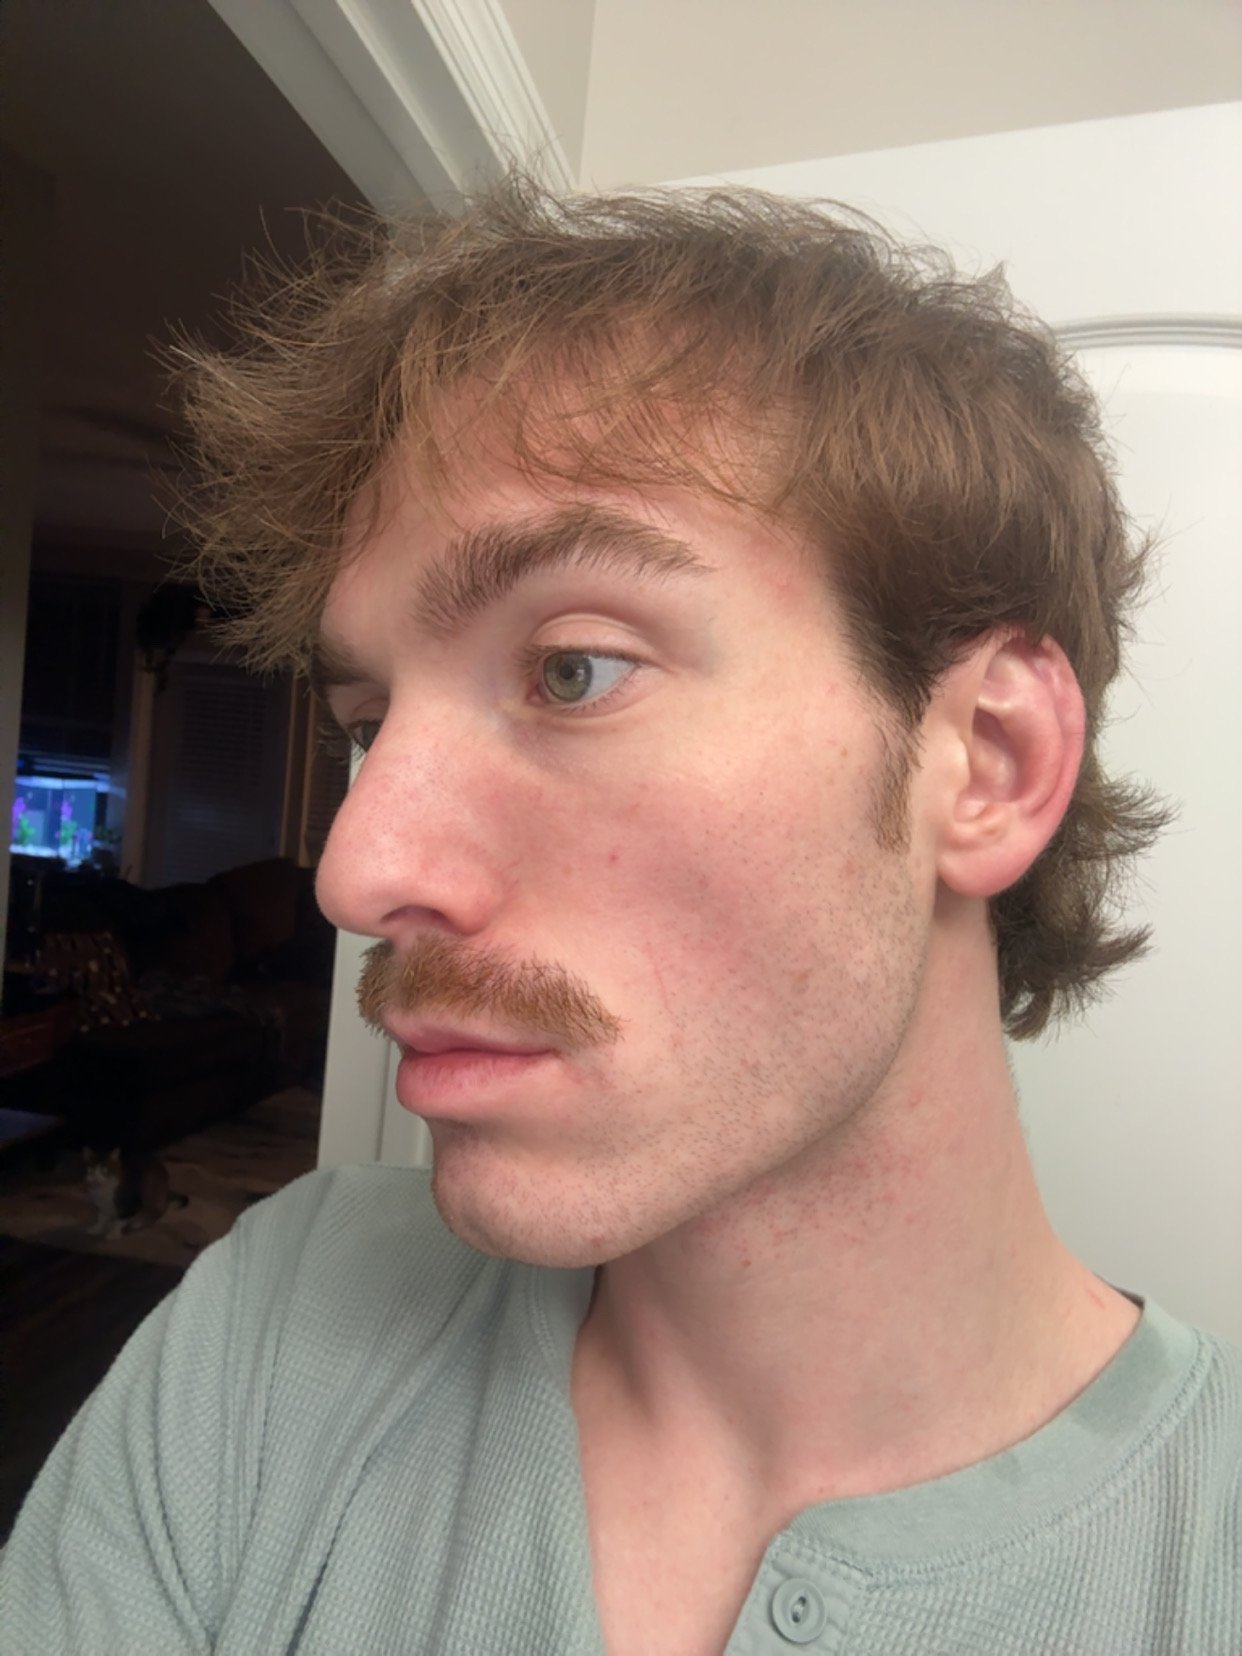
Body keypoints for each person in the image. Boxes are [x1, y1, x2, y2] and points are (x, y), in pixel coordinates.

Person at [2, 176, 1238, 1656]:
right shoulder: (285, 1312)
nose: (353, 873)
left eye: (572, 670)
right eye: (368, 724)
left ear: (986, 761)